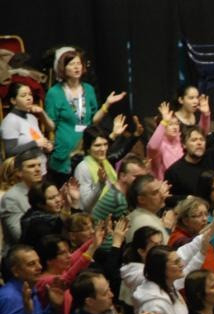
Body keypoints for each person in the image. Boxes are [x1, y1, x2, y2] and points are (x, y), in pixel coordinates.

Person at [44, 49, 126, 183]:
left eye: (79, 63)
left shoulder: (88, 89)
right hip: (65, 151)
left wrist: (107, 104)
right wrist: (41, 114)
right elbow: (51, 126)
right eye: (72, 64)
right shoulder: (54, 92)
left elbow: (94, 120)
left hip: (87, 148)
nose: (76, 67)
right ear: (63, 68)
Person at [164, 113, 214, 202]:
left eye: (202, 139)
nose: (199, 143)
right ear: (184, 144)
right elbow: (167, 198)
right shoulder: (173, 171)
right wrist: (187, 199)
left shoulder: (210, 156)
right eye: (194, 140)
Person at [1, 82, 53, 173]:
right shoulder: (10, 121)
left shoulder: (32, 117)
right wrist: (35, 143)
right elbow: (10, 151)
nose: (29, 98)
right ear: (13, 100)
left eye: (30, 94)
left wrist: (46, 145)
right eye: (23, 95)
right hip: (23, 173)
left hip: (41, 169)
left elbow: (37, 139)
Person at [0, 149, 44, 247]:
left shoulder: (44, 190)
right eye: (31, 166)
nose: (38, 169)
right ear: (19, 172)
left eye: (39, 165)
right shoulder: (11, 198)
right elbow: (19, 236)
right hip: (22, 252)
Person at [74, 126, 118, 212]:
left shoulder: (105, 163)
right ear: (88, 148)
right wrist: (100, 183)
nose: (103, 149)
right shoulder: (83, 168)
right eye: (97, 145)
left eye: (105, 144)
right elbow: (86, 205)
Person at [19, 181, 68, 249]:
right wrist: (66, 209)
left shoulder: (56, 214)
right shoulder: (36, 224)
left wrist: (74, 202)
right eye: (51, 198)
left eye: (58, 195)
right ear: (40, 204)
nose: (58, 200)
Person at [126, 174, 171, 242]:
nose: (162, 195)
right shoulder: (147, 224)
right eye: (155, 193)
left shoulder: (139, 215)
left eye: (160, 190)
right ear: (141, 199)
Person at [147, 102, 185, 181]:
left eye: (176, 124)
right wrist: (164, 122)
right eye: (170, 124)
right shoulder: (159, 145)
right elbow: (152, 147)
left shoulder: (181, 140)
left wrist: (205, 116)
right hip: (165, 184)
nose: (175, 127)